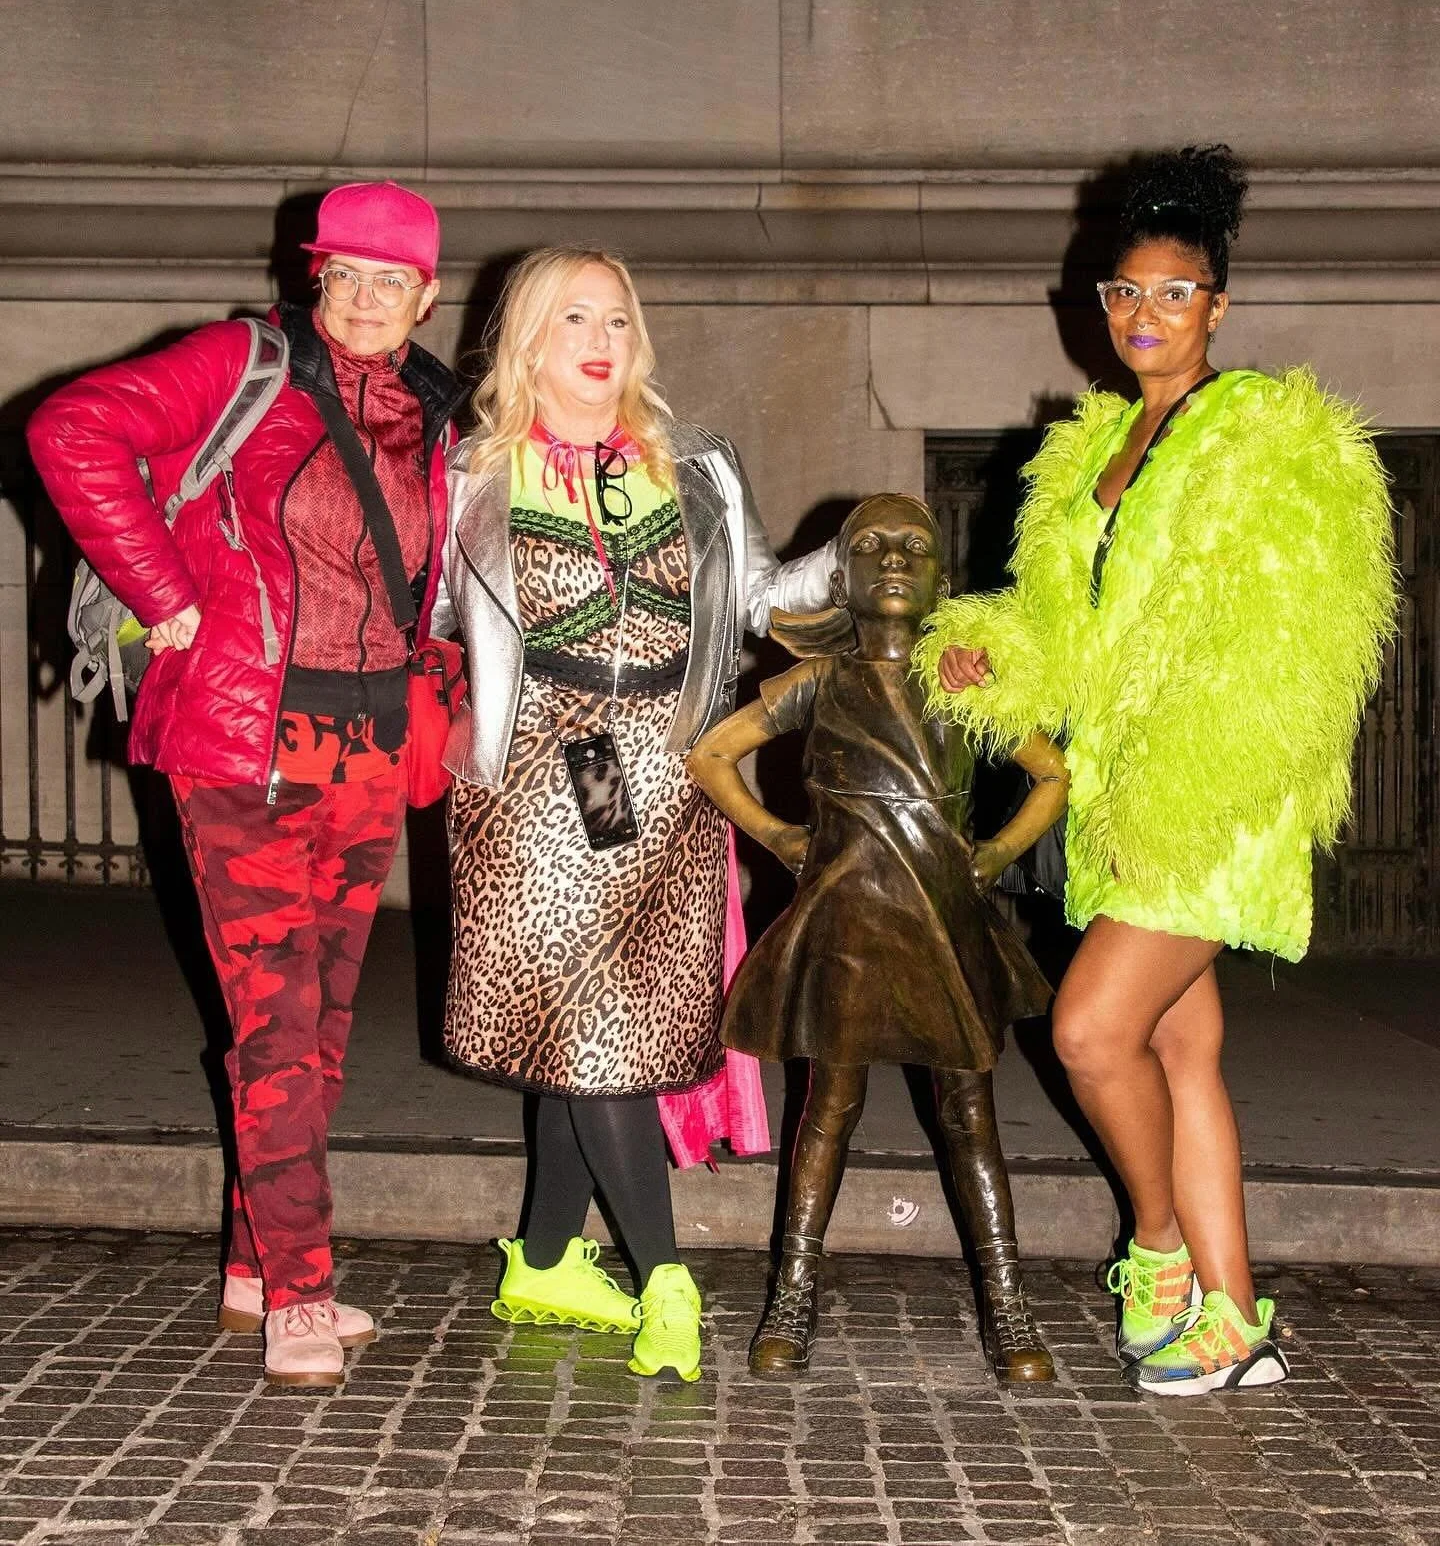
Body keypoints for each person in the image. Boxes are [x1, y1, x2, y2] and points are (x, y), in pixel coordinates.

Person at [914, 146, 1396, 1395]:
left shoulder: (1269, 432)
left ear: (1217, 307)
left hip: (1213, 796)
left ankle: (1162, 1248)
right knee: (1181, 1052)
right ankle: (1242, 1321)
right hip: (1120, 796)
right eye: (1123, 293)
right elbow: (1058, 630)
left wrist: (1211, 767)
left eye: (1171, 294)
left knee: (1087, 1032)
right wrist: (988, 658)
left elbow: (1310, 629)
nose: (1141, 316)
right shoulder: (1091, 452)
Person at [28, 181, 464, 1391]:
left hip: (367, 751)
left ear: (428, 295)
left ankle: (250, 1265)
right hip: (242, 743)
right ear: (315, 276)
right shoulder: (246, 363)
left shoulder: (434, 408)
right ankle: (303, 1293)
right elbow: (72, 430)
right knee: (271, 1023)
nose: (371, 300)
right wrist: (162, 594)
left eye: (396, 282)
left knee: (318, 1029)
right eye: (350, 276)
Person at [438, 245, 834, 1383]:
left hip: (667, 778)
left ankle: (548, 1257)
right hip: (549, 780)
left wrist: (852, 562)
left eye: (616, 317)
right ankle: (668, 1280)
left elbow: (760, 596)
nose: (602, 340)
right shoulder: (480, 476)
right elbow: (428, 621)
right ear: (528, 341)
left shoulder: (696, 468)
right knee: (602, 1040)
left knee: (595, 1038)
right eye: (574, 318)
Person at [688, 495, 1069, 1383]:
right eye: (871, 546)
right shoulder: (817, 682)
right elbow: (711, 754)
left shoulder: (965, 681)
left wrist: (996, 853)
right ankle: (793, 1289)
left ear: (941, 579)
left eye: (914, 547)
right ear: (842, 576)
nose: (894, 558)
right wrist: (780, 835)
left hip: (946, 921)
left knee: (970, 1116)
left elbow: (1051, 773)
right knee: (829, 1107)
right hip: (847, 923)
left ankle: (1007, 1302)